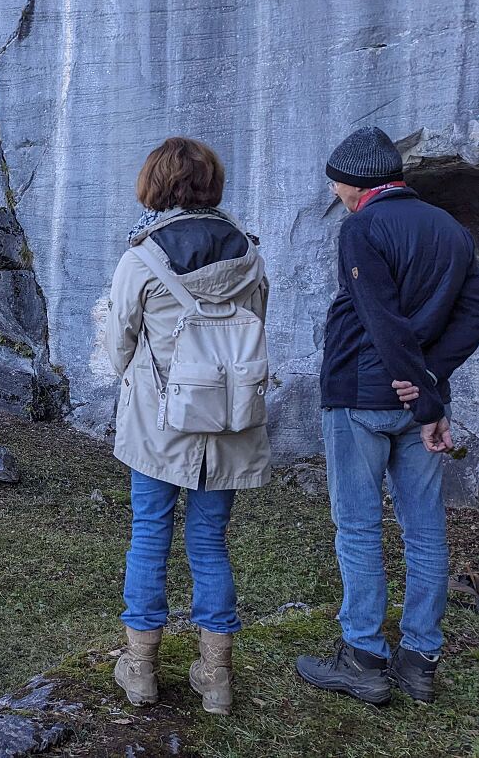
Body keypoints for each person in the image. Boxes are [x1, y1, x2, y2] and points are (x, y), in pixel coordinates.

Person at [296, 127, 479, 705]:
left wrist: (419, 392)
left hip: (361, 396)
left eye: (338, 182)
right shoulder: (452, 229)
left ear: (358, 183)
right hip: (422, 404)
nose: (335, 190)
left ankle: (364, 658)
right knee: (425, 531)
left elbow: (381, 319)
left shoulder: (363, 226)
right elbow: (474, 313)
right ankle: (420, 660)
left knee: (358, 527)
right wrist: (430, 388)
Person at [106, 136, 270, 716]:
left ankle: (142, 668)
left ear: (155, 184)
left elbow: (117, 347)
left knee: (150, 533)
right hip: (229, 425)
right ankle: (215, 674)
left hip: (160, 426)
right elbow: (255, 333)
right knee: (209, 542)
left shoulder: (142, 259)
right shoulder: (248, 256)